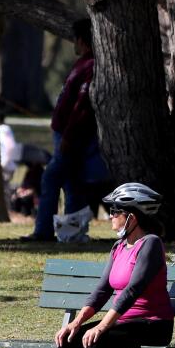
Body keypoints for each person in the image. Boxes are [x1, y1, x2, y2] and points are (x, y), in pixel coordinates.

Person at [50, 183, 172, 348]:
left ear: (132, 217)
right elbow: (102, 289)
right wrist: (77, 322)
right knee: (69, 338)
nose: (110, 216)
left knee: (97, 341)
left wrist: (102, 326)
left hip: (153, 324)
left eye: (115, 211)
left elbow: (132, 291)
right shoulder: (118, 248)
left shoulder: (150, 244)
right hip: (125, 324)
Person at [22, 19, 110, 242]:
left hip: (71, 137)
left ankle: (43, 231)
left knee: (51, 178)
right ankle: (71, 232)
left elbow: (82, 106)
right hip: (63, 134)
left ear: (82, 40)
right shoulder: (82, 63)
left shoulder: (90, 65)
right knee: (72, 183)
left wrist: (69, 137)